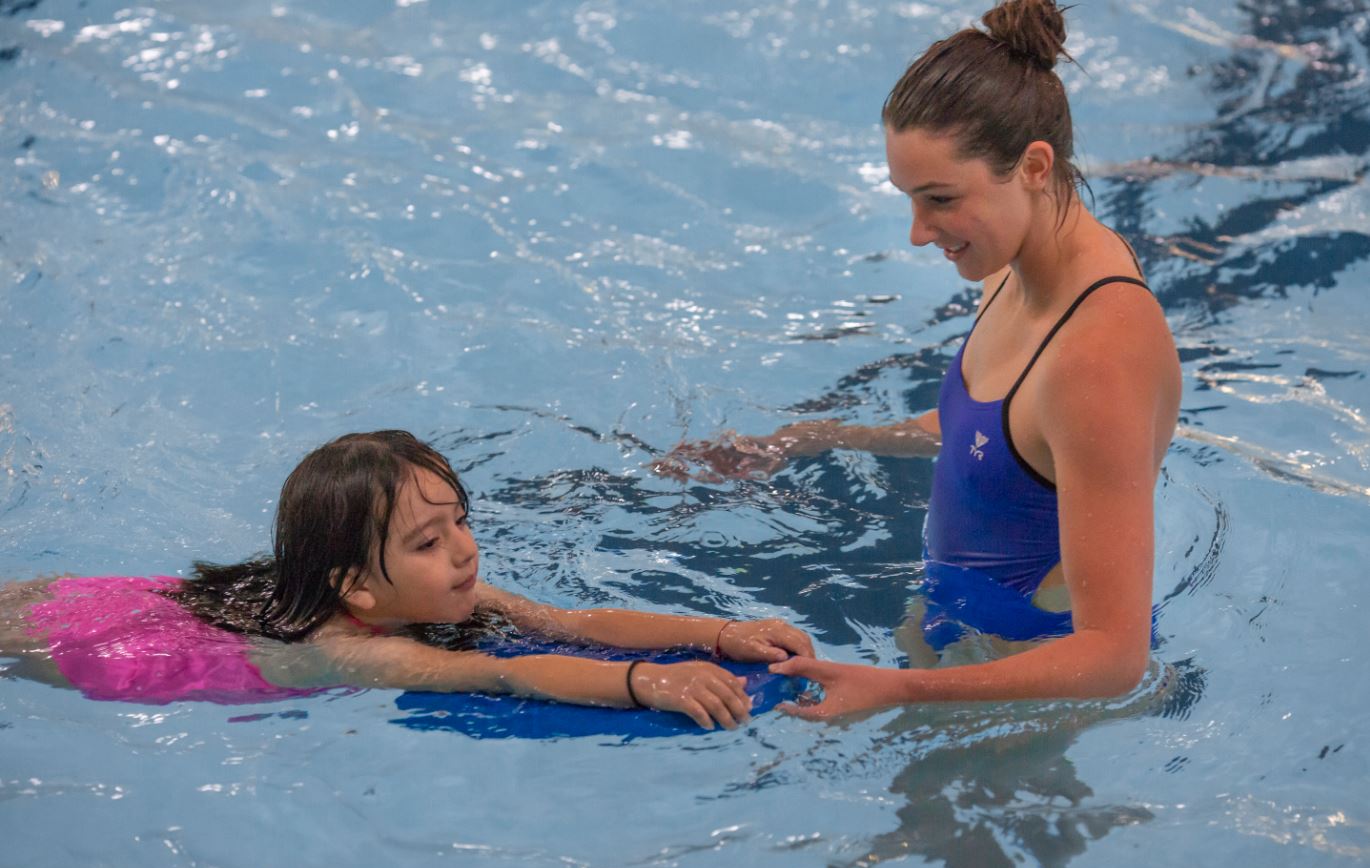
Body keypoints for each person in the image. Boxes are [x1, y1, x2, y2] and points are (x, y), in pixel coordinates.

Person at [655, 0, 1181, 718]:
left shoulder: (1098, 354)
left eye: (940, 199)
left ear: (1033, 166)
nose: (916, 231)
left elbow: (1114, 654)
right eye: (909, 198)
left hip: (1023, 676)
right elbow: (1004, 440)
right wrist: (816, 439)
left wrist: (896, 687)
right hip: (960, 626)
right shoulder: (1017, 259)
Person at [1, 430, 813, 729]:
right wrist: (647, 684)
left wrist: (713, 633)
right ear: (357, 587)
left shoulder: (421, 588)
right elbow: (508, 670)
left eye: (460, 521)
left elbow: (571, 621)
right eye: (430, 539)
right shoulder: (357, 649)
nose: (463, 550)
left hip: (129, 598)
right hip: (92, 642)